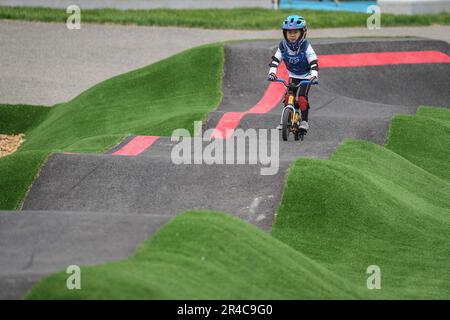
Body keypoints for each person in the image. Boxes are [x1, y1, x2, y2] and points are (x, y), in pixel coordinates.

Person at [267, 15, 319, 132]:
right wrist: (272, 73)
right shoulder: (283, 46)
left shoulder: (306, 46)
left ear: (303, 33)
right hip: (293, 76)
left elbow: (314, 62)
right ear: (284, 33)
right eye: (289, 32)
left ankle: (304, 121)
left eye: (295, 32)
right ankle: (285, 120)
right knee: (288, 97)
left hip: (306, 77)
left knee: (301, 98)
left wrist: (314, 75)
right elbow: (275, 60)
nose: (292, 35)